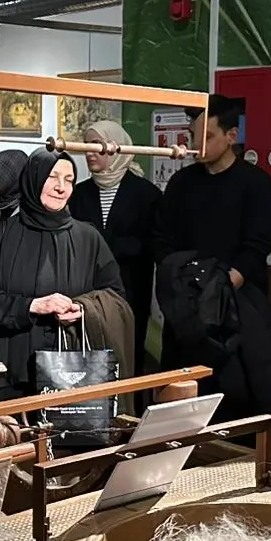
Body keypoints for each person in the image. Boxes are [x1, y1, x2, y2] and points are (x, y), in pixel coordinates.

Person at [154, 97, 271, 424]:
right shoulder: (181, 183)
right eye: (193, 136)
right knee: (181, 390)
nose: (197, 145)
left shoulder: (255, 182)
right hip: (186, 306)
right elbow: (162, 240)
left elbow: (257, 245)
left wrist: (220, 288)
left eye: (207, 137)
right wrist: (184, 287)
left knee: (236, 392)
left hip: (237, 303)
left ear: (231, 136)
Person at [0, 149, 128, 403]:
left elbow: (115, 296)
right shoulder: (0, 234)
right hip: (9, 374)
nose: (61, 187)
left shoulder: (88, 238)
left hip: (71, 373)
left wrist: (83, 308)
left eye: (69, 179)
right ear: (33, 178)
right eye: (53, 177)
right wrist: (32, 306)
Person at [69, 121, 162, 366]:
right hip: (87, 292)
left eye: (97, 145)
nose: (90, 152)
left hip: (130, 290)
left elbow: (149, 243)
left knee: (128, 357)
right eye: (86, 145)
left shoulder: (145, 193)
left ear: (116, 147)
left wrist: (102, 247)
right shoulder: (79, 193)